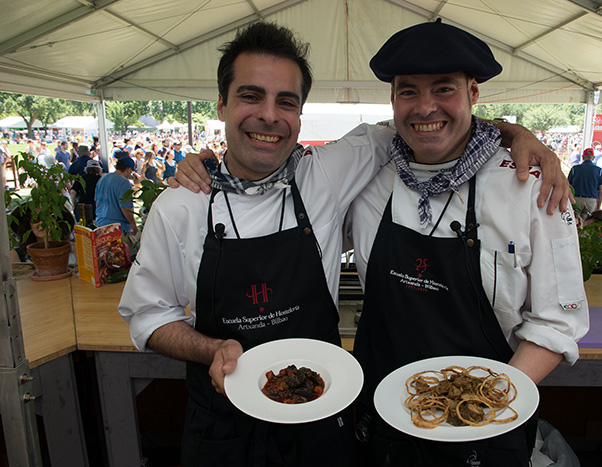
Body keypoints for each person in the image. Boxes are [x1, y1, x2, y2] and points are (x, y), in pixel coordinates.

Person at [125, 21, 570, 467]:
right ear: (221, 104)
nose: (269, 115)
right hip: (228, 430)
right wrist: (211, 349)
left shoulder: (330, 174)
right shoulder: (180, 205)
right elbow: (148, 316)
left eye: (286, 101)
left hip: (373, 426)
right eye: (249, 96)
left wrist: (520, 135)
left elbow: (439, 124)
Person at [343, 21, 588, 466]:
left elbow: (557, 323)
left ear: (474, 93)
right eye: (408, 91)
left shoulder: (530, 187)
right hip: (379, 418)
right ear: (392, 99)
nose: (425, 108)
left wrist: (483, 404)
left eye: (444, 89)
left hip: (488, 423)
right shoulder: (366, 173)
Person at [95, 156, 138, 233]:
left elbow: (97, 202)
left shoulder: (102, 179)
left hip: (101, 223)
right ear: (128, 169)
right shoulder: (124, 182)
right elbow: (125, 207)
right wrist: (133, 224)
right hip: (117, 226)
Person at [568, 147, 602, 215]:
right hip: (591, 201)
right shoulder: (599, 170)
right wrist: (598, 206)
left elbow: (568, 185)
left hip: (576, 199)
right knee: (588, 223)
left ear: (582, 157)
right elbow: (601, 190)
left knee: (576, 221)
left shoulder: (575, 169)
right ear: (593, 158)